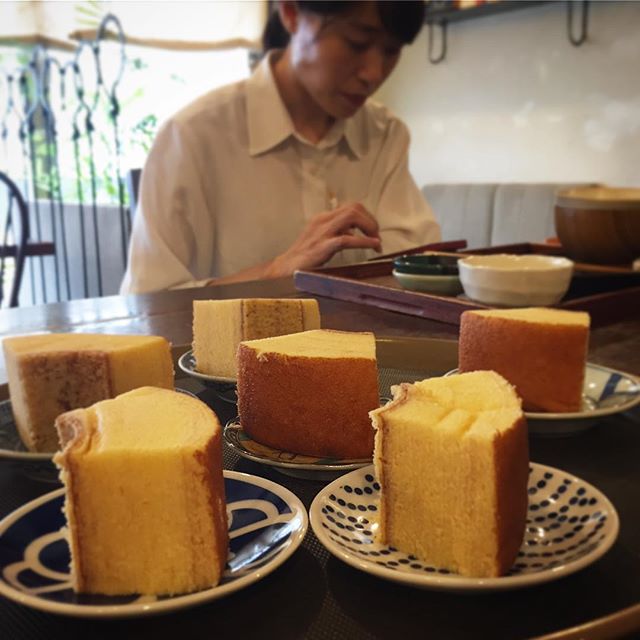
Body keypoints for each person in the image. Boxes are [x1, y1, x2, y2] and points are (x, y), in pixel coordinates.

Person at [121, 0, 440, 294]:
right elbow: (146, 306)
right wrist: (275, 271)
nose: (374, 73)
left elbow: (420, 265)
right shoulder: (192, 137)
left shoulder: (385, 135)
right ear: (291, 13)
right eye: (356, 43)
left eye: (391, 51)